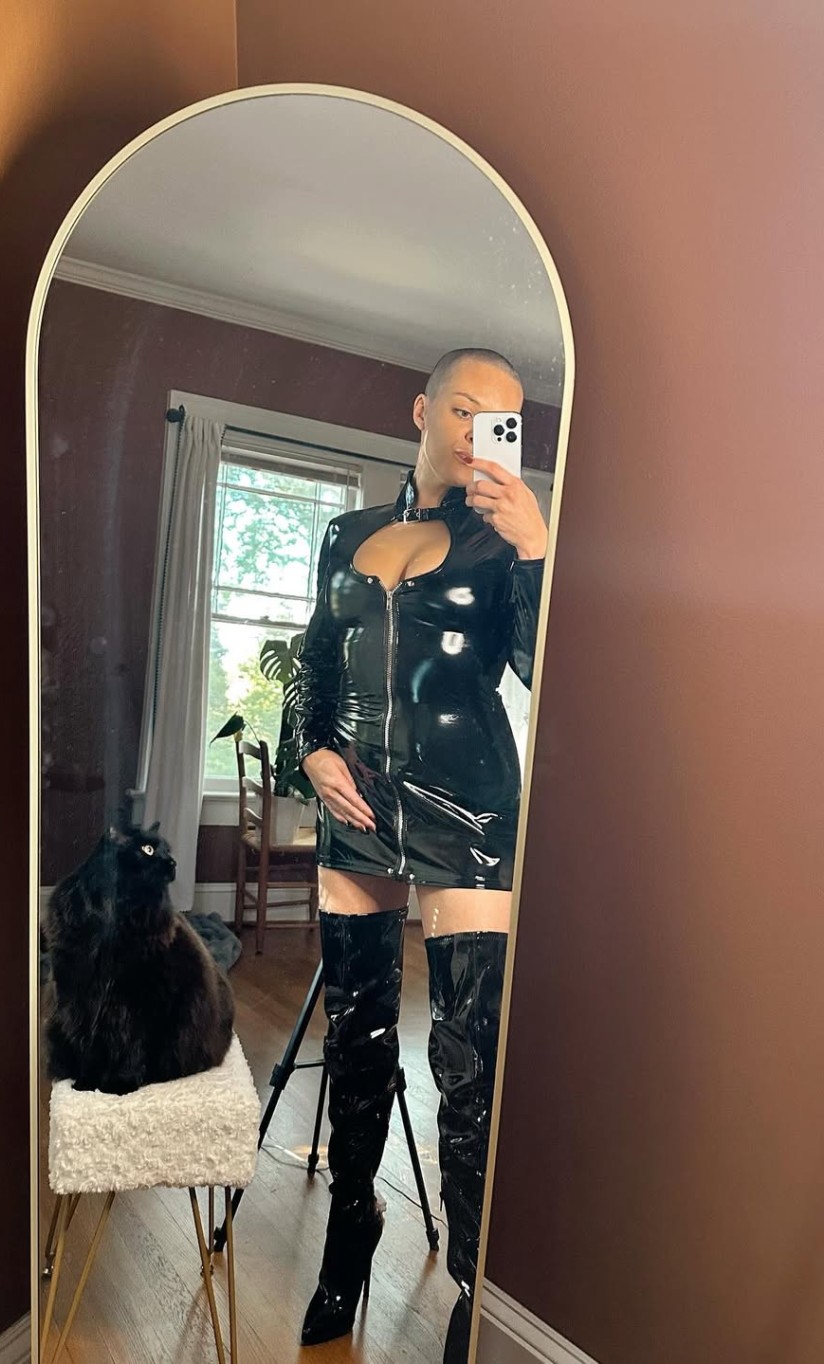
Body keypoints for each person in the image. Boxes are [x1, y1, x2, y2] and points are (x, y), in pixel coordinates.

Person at [292, 348, 547, 1361]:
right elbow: (314, 660)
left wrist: (537, 549)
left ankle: (473, 1285)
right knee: (356, 1039)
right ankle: (351, 1227)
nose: (477, 433)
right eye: (462, 409)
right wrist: (310, 745)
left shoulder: (505, 541)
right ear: (421, 410)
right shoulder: (346, 533)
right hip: (356, 803)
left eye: (501, 420)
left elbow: (543, 666)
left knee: (467, 1061)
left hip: (472, 811)